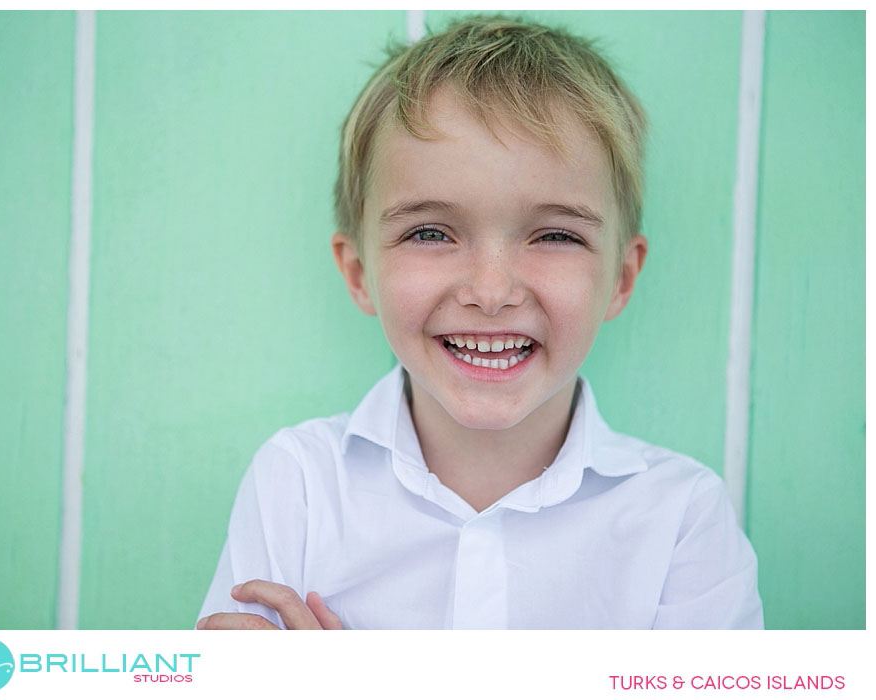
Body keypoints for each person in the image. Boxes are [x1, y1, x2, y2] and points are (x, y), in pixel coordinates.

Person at [196, 15, 763, 630]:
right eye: (431, 232)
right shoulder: (298, 484)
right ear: (359, 272)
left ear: (620, 279)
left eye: (554, 235)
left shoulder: (681, 520)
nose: (491, 292)